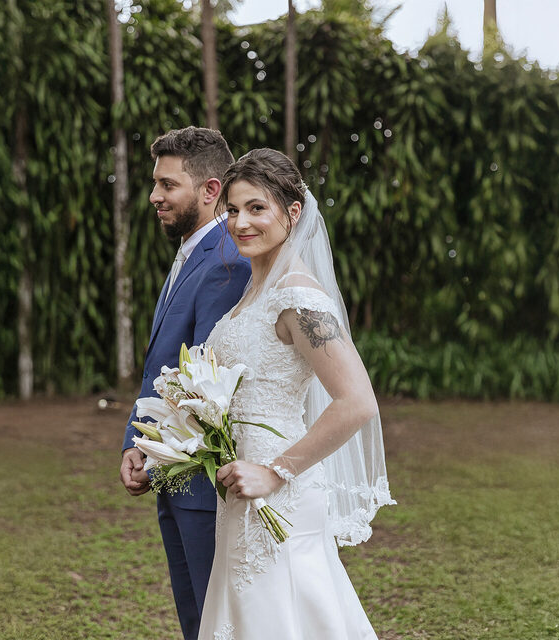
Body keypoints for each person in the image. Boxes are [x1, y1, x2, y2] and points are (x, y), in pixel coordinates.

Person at [196, 148, 396, 639]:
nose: (241, 222)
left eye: (256, 208)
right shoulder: (254, 288)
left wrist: (273, 472)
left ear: (293, 213)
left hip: (277, 493)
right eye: (233, 210)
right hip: (240, 489)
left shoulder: (298, 296)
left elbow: (357, 401)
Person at [119, 127, 251, 640]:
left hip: (199, 483)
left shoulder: (225, 264)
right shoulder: (193, 252)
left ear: (210, 190)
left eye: (167, 185)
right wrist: (138, 443)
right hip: (172, 471)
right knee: (194, 619)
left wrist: (156, 453)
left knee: (212, 620)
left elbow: (205, 386)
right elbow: (163, 368)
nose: (155, 196)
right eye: (155, 184)